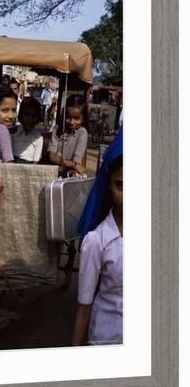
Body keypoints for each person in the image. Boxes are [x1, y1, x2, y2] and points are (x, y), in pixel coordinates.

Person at [71, 127, 123, 346]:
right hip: (107, 341)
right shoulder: (97, 240)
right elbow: (84, 307)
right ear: (108, 186)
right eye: (121, 185)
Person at [47, 94, 88, 175]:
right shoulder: (58, 128)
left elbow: (77, 159)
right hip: (56, 170)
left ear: (83, 119)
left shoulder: (82, 132)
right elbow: (51, 155)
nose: (71, 122)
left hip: (71, 173)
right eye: (68, 117)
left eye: (76, 118)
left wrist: (73, 165)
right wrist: (71, 163)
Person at [11, 97, 44, 164]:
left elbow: (35, 162)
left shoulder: (38, 138)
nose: (30, 119)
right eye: (27, 115)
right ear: (21, 115)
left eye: (34, 116)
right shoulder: (13, 131)